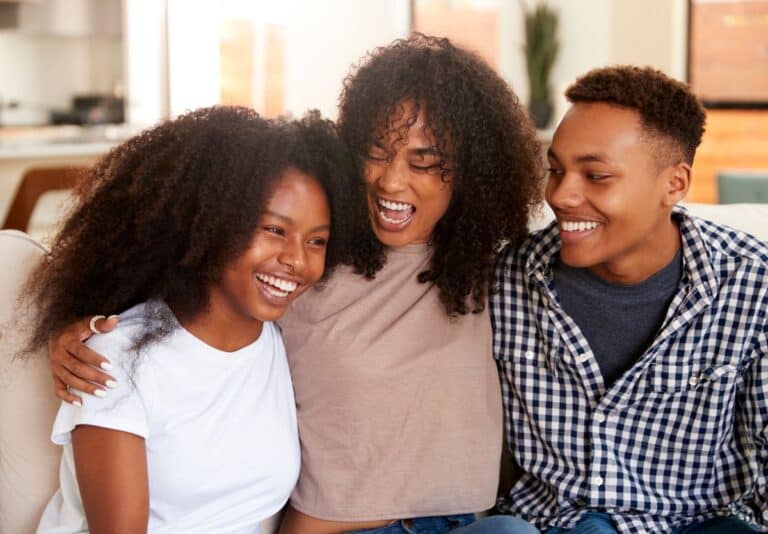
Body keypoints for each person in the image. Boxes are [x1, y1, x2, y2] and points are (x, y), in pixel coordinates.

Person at [46, 35, 544, 533]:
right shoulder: (307, 270)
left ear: (472, 172)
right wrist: (78, 324)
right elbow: (181, 286)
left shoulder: (494, 269)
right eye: (376, 152)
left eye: (423, 162)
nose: (392, 182)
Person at [26, 106, 359, 533]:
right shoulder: (114, 359)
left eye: (317, 241)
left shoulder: (281, 339)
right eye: (274, 230)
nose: (296, 259)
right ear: (211, 222)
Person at [491, 65, 768, 533]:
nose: (560, 195)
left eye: (596, 176)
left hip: (695, 526)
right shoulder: (508, 280)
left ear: (674, 185)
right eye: (555, 169)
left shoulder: (752, 283)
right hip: (548, 524)